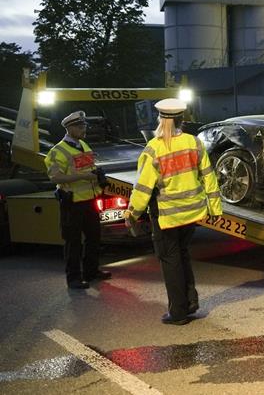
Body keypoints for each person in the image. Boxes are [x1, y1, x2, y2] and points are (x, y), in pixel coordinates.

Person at [124, 98, 222, 325]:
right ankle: (189, 302)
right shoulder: (194, 142)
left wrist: (132, 214)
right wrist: (215, 209)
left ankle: (178, 313)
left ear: (160, 119)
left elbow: (143, 188)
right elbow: (209, 177)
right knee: (182, 254)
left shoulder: (154, 149)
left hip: (168, 216)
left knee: (171, 261)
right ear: (182, 120)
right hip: (192, 213)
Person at [45, 111, 111, 289]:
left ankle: (91, 272)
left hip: (89, 199)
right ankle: (73, 278)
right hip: (72, 202)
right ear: (70, 128)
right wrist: (84, 176)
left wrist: (97, 173)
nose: (84, 130)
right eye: (80, 127)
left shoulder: (83, 145)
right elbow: (55, 178)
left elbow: (89, 166)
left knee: (94, 238)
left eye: (84, 126)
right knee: (73, 242)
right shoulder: (57, 151)